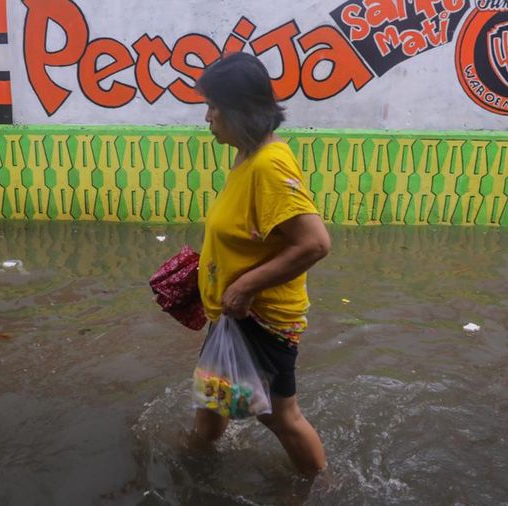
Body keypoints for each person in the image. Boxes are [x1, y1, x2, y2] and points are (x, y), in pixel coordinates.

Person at [192, 52, 332, 477]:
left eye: (214, 106)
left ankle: (316, 488)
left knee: (281, 417)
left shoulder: (269, 165)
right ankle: (195, 456)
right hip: (233, 316)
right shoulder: (247, 156)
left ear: (240, 110)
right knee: (212, 396)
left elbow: (314, 243)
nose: (207, 117)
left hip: (261, 321)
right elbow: (252, 235)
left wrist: (244, 285)